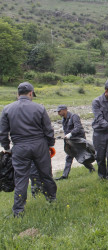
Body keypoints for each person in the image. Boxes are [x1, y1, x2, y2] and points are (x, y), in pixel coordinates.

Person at [0, 82, 57, 217]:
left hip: (19, 147)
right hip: (39, 145)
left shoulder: (7, 109)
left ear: (17, 94)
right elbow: (48, 130)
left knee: (21, 178)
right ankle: (52, 200)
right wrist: (50, 144)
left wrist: (7, 148)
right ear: (31, 93)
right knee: (46, 174)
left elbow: (3, 133)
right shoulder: (39, 108)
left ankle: (18, 211)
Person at [54, 105, 95, 180]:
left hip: (79, 140)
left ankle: (91, 168)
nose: (58, 113)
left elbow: (78, 127)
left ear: (65, 110)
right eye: (58, 112)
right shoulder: (63, 119)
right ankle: (64, 176)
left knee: (82, 156)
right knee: (69, 157)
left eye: (59, 111)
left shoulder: (74, 116)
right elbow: (66, 130)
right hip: (70, 141)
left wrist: (70, 134)